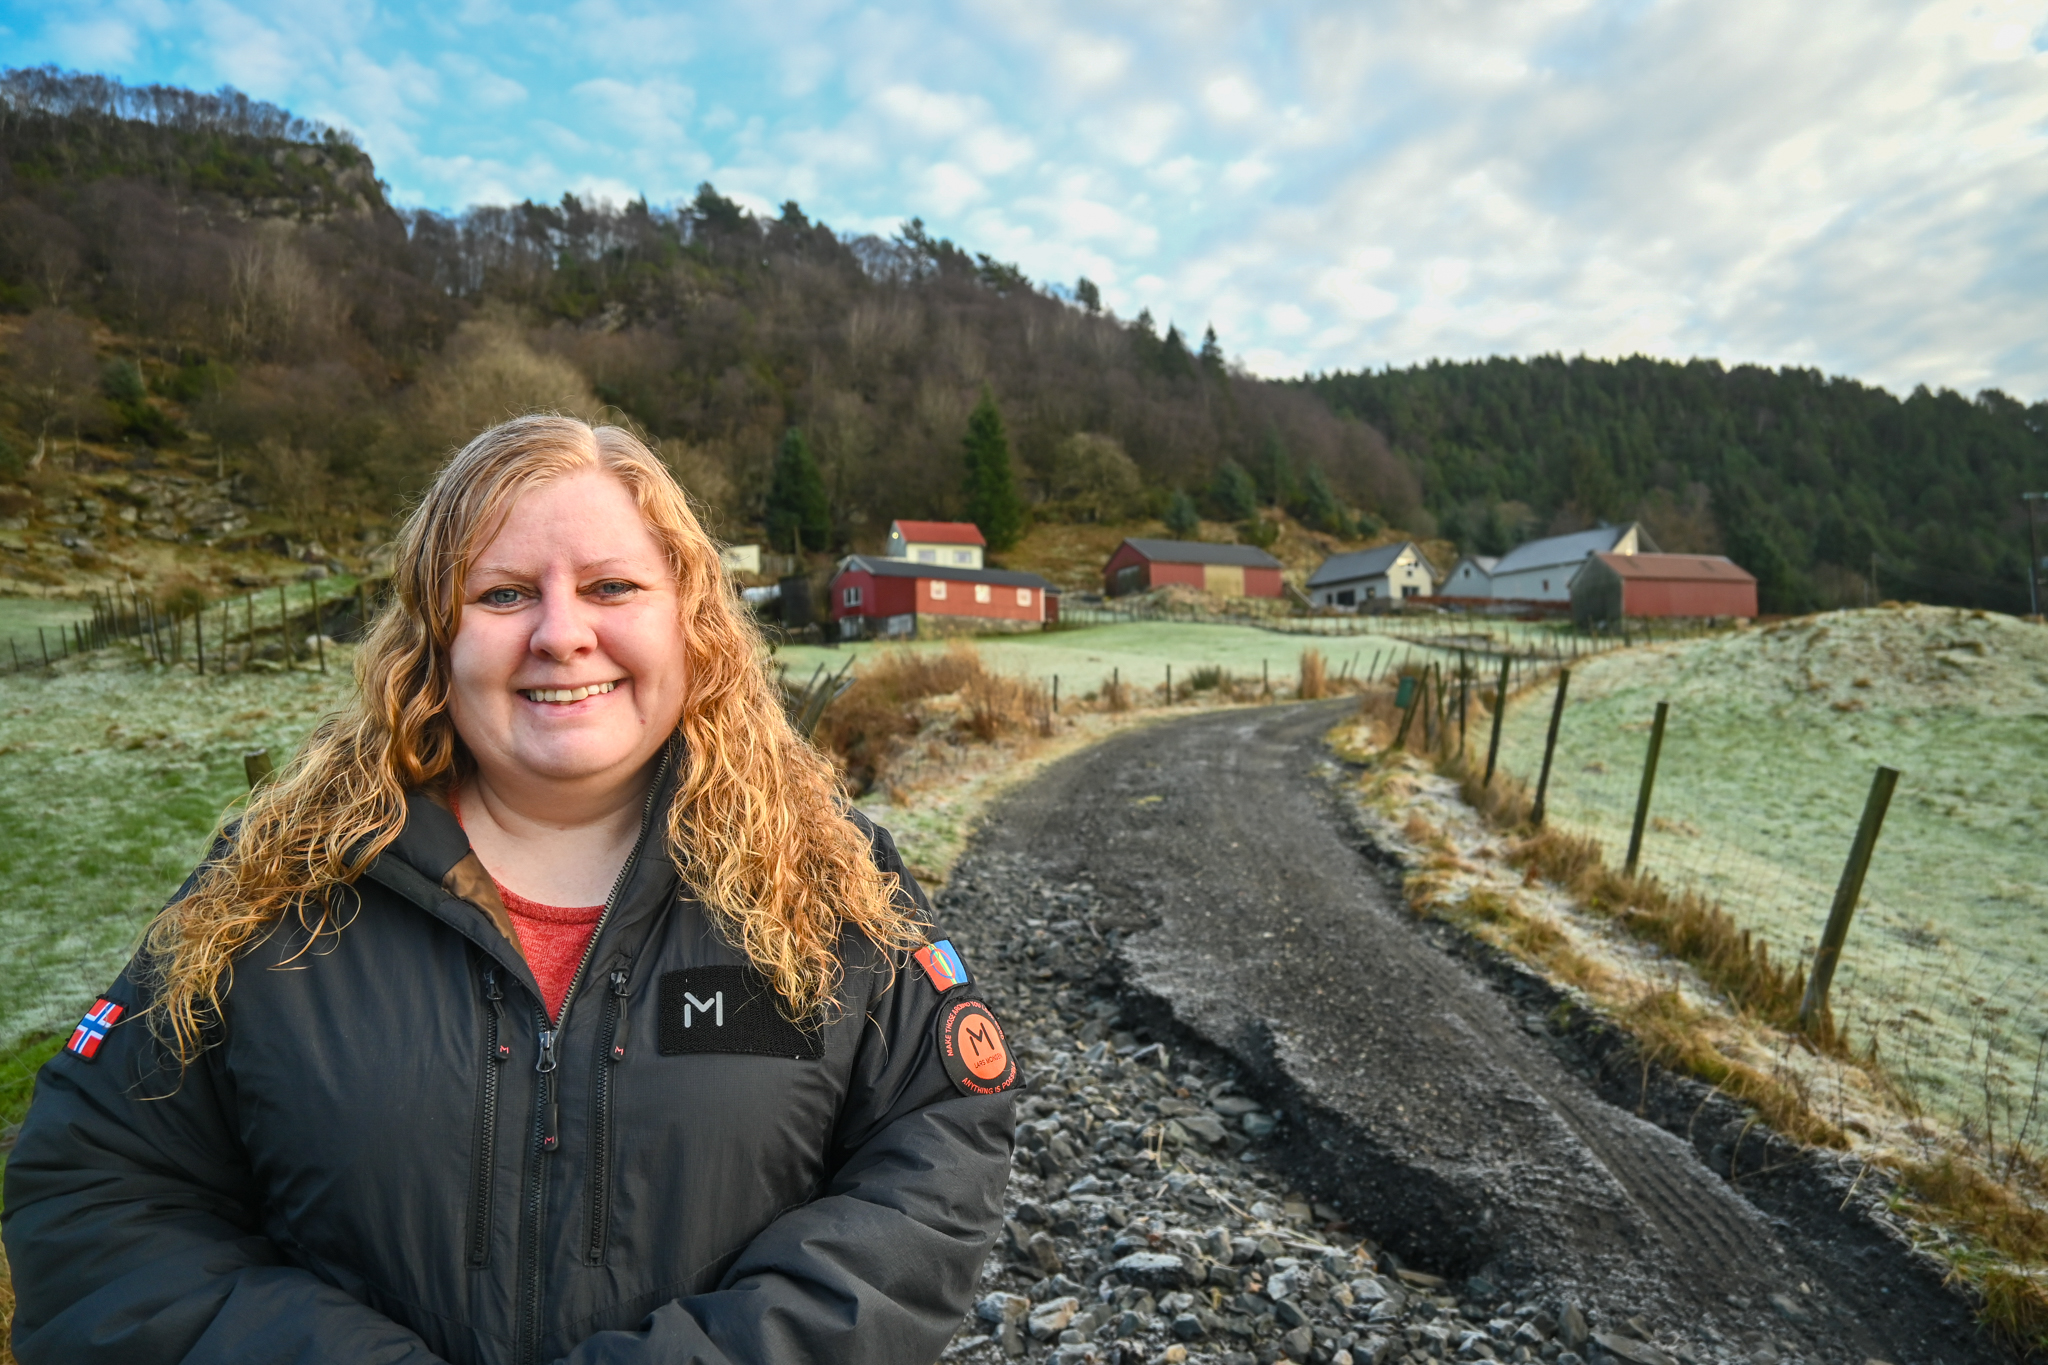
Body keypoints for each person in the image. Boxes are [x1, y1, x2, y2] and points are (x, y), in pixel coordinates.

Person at [3, 415, 1019, 1365]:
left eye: (613, 588)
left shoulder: (830, 878)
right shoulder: (273, 890)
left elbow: (933, 1160)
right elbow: (93, 1199)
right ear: (433, 640)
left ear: (691, 622)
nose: (560, 634)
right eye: (502, 594)